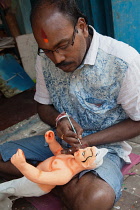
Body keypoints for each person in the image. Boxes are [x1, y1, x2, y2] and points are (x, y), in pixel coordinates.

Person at [0, 0, 140, 209]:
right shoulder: (45, 60)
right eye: (46, 50)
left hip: (104, 150)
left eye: (62, 45)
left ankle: (47, 178)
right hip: (59, 143)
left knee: (96, 198)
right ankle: (58, 179)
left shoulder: (122, 62)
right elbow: (43, 106)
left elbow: (138, 122)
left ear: (81, 27)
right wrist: (60, 119)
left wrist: (88, 141)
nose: (57, 58)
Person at [0, 130, 107, 209]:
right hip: (32, 177)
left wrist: (22, 165)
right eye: (84, 149)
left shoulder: (64, 175)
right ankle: (4, 202)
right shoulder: (71, 158)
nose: (80, 149)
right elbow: (58, 152)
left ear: (86, 164)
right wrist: (51, 142)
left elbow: (38, 176)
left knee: (8, 188)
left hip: (35, 184)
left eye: (83, 153)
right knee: (10, 188)